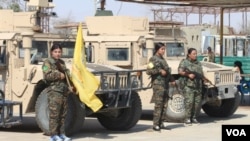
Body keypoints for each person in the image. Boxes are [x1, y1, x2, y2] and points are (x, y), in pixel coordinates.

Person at [42, 44, 72, 141]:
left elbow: (67, 75)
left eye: (59, 52)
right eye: (55, 52)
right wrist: (58, 75)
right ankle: (54, 135)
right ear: (51, 52)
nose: (58, 54)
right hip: (54, 91)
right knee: (54, 114)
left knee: (63, 114)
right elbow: (46, 76)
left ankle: (62, 134)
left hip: (63, 91)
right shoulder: (47, 63)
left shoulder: (62, 63)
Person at [146, 42, 175, 131]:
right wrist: (159, 71)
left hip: (165, 84)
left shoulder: (163, 59)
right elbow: (148, 71)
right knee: (158, 104)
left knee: (165, 104)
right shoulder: (152, 59)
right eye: (162, 49)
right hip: (158, 84)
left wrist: (172, 80)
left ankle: (161, 122)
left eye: (164, 49)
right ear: (157, 49)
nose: (163, 51)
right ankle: (155, 124)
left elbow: (167, 71)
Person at [178, 48, 203, 126]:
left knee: (197, 103)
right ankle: (187, 119)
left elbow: (201, 73)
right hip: (189, 86)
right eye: (194, 54)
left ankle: (194, 118)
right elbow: (180, 71)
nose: (195, 55)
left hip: (198, 85)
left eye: (196, 54)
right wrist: (188, 75)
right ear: (189, 54)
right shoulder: (184, 62)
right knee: (189, 103)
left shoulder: (198, 63)